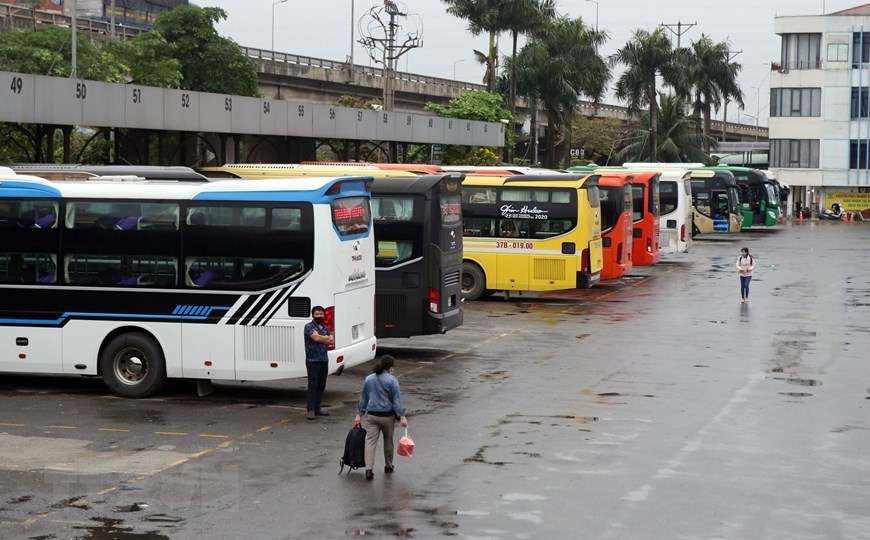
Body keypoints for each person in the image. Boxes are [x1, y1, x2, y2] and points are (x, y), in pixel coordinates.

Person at [354, 355, 409, 480]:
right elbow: (397, 400)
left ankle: (369, 469)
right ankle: (388, 465)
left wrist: (359, 414)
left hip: (372, 416)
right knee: (388, 441)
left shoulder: (369, 379)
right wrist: (402, 416)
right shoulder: (392, 380)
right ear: (390, 368)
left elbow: (364, 398)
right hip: (387, 416)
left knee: (370, 442)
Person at [304, 305, 334, 420]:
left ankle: (317, 408)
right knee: (313, 385)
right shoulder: (308, 327)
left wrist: (323, 338)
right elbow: (315, 338)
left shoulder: (325, 328)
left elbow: (331, 341)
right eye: (317, 314)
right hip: (312, 361)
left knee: (321, 385)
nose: (319, 316)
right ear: (313, 315)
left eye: (321, 314)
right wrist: (324, 338)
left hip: (323, 360)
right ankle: (310, 409)